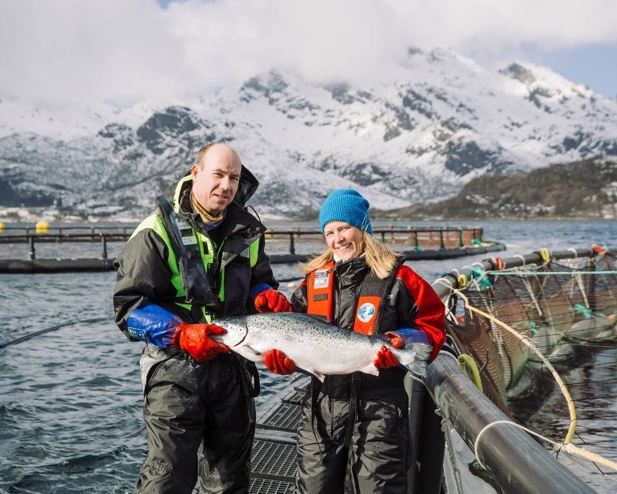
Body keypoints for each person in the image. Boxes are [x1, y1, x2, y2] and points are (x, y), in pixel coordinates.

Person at [113, 143, 292, 494]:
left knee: (229, 481)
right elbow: (129, 309)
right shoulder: (155, 231)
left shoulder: (249, 230)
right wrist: (180, 334)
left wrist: (264, 297)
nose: (226, 185)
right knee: (167, 479)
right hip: (174, 371)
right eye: (219, 175)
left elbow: (259, 281)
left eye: (234, 178)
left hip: (233, 368)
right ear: (196, 174)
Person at [262, 188, 447, 494]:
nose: (338, 239)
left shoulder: (401, 279)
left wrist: (402, 340)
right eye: (330, 232)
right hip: (321, 414)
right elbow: (292, 334)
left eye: (344, 228)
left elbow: (433, 327)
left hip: (381, 414)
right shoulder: (311, 284)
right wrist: (286, 363)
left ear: (362, 228)